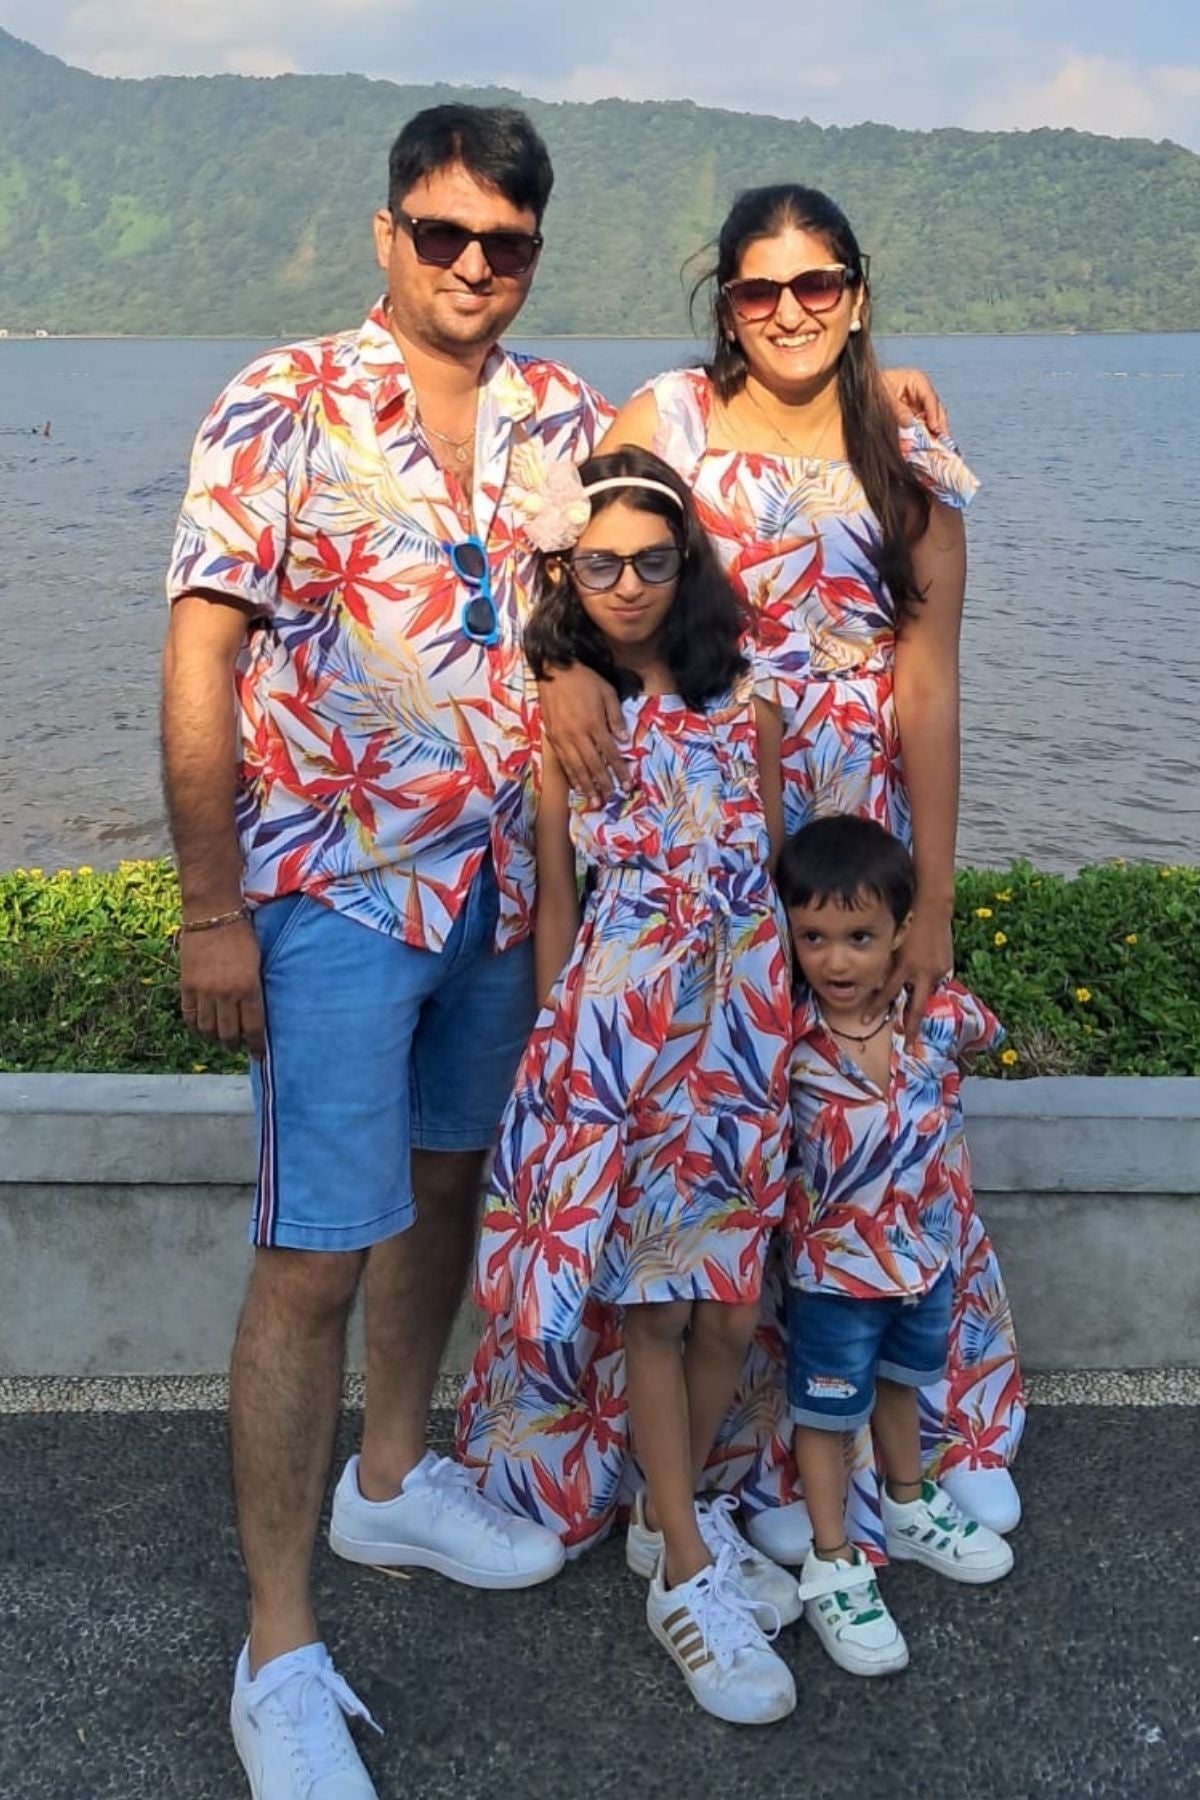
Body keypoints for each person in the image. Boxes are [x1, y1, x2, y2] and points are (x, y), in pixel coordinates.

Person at [161, 105, 615, 1800]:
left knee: (444, 1190)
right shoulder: (278, 402)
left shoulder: (561, 413)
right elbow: (200, 655)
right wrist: (212, 905)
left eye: (506, 242)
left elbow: (668, 515)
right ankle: (277, 1653)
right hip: (332, 894)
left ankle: (394, 1480)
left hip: (498, 894)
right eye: (445, 234)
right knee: (312, 1261)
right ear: (389, 234)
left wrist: (886, 395)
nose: (474, 265)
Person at [533, 183, 1025, 1554]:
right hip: (702, 820)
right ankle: (725, 1467)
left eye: (818, 285)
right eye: (760, 288)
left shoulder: (908, 461)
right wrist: (566, 667)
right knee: (718, 1128)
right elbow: (573, 559)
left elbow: (930, 687)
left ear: (856, 296)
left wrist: (932, 897)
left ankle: (906, 1435)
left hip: (851, 826)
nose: (790, 311)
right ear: (727, 306)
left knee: (865, 1114)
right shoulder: (670, 419)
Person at [474, 443, 800, 1722]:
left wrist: (785, 1032)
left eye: (650, 562)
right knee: (655, 1309)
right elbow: (561, 903)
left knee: (730, 1309)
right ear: (569, 569)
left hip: (740, 1034)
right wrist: (563, 1059)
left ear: (686, 564)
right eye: (598, 564)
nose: (625, 586)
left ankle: (671, 1518)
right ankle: (683, 1570)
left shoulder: (748, 707)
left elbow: (768, 880)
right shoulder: (573, 719)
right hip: (621, 1040)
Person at [778, 815, 1012, 1678]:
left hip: (922, 1265)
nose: (837, 961)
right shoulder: (791, 1045)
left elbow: (987, 1034)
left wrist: (933, 993)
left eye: (861, 938)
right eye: (814, 938)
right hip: (834, 1279)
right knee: (826, 1414)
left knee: (902, 1385)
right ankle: (833, 1557)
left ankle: (908, 1502)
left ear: (902, 933)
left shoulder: (935, 1021)